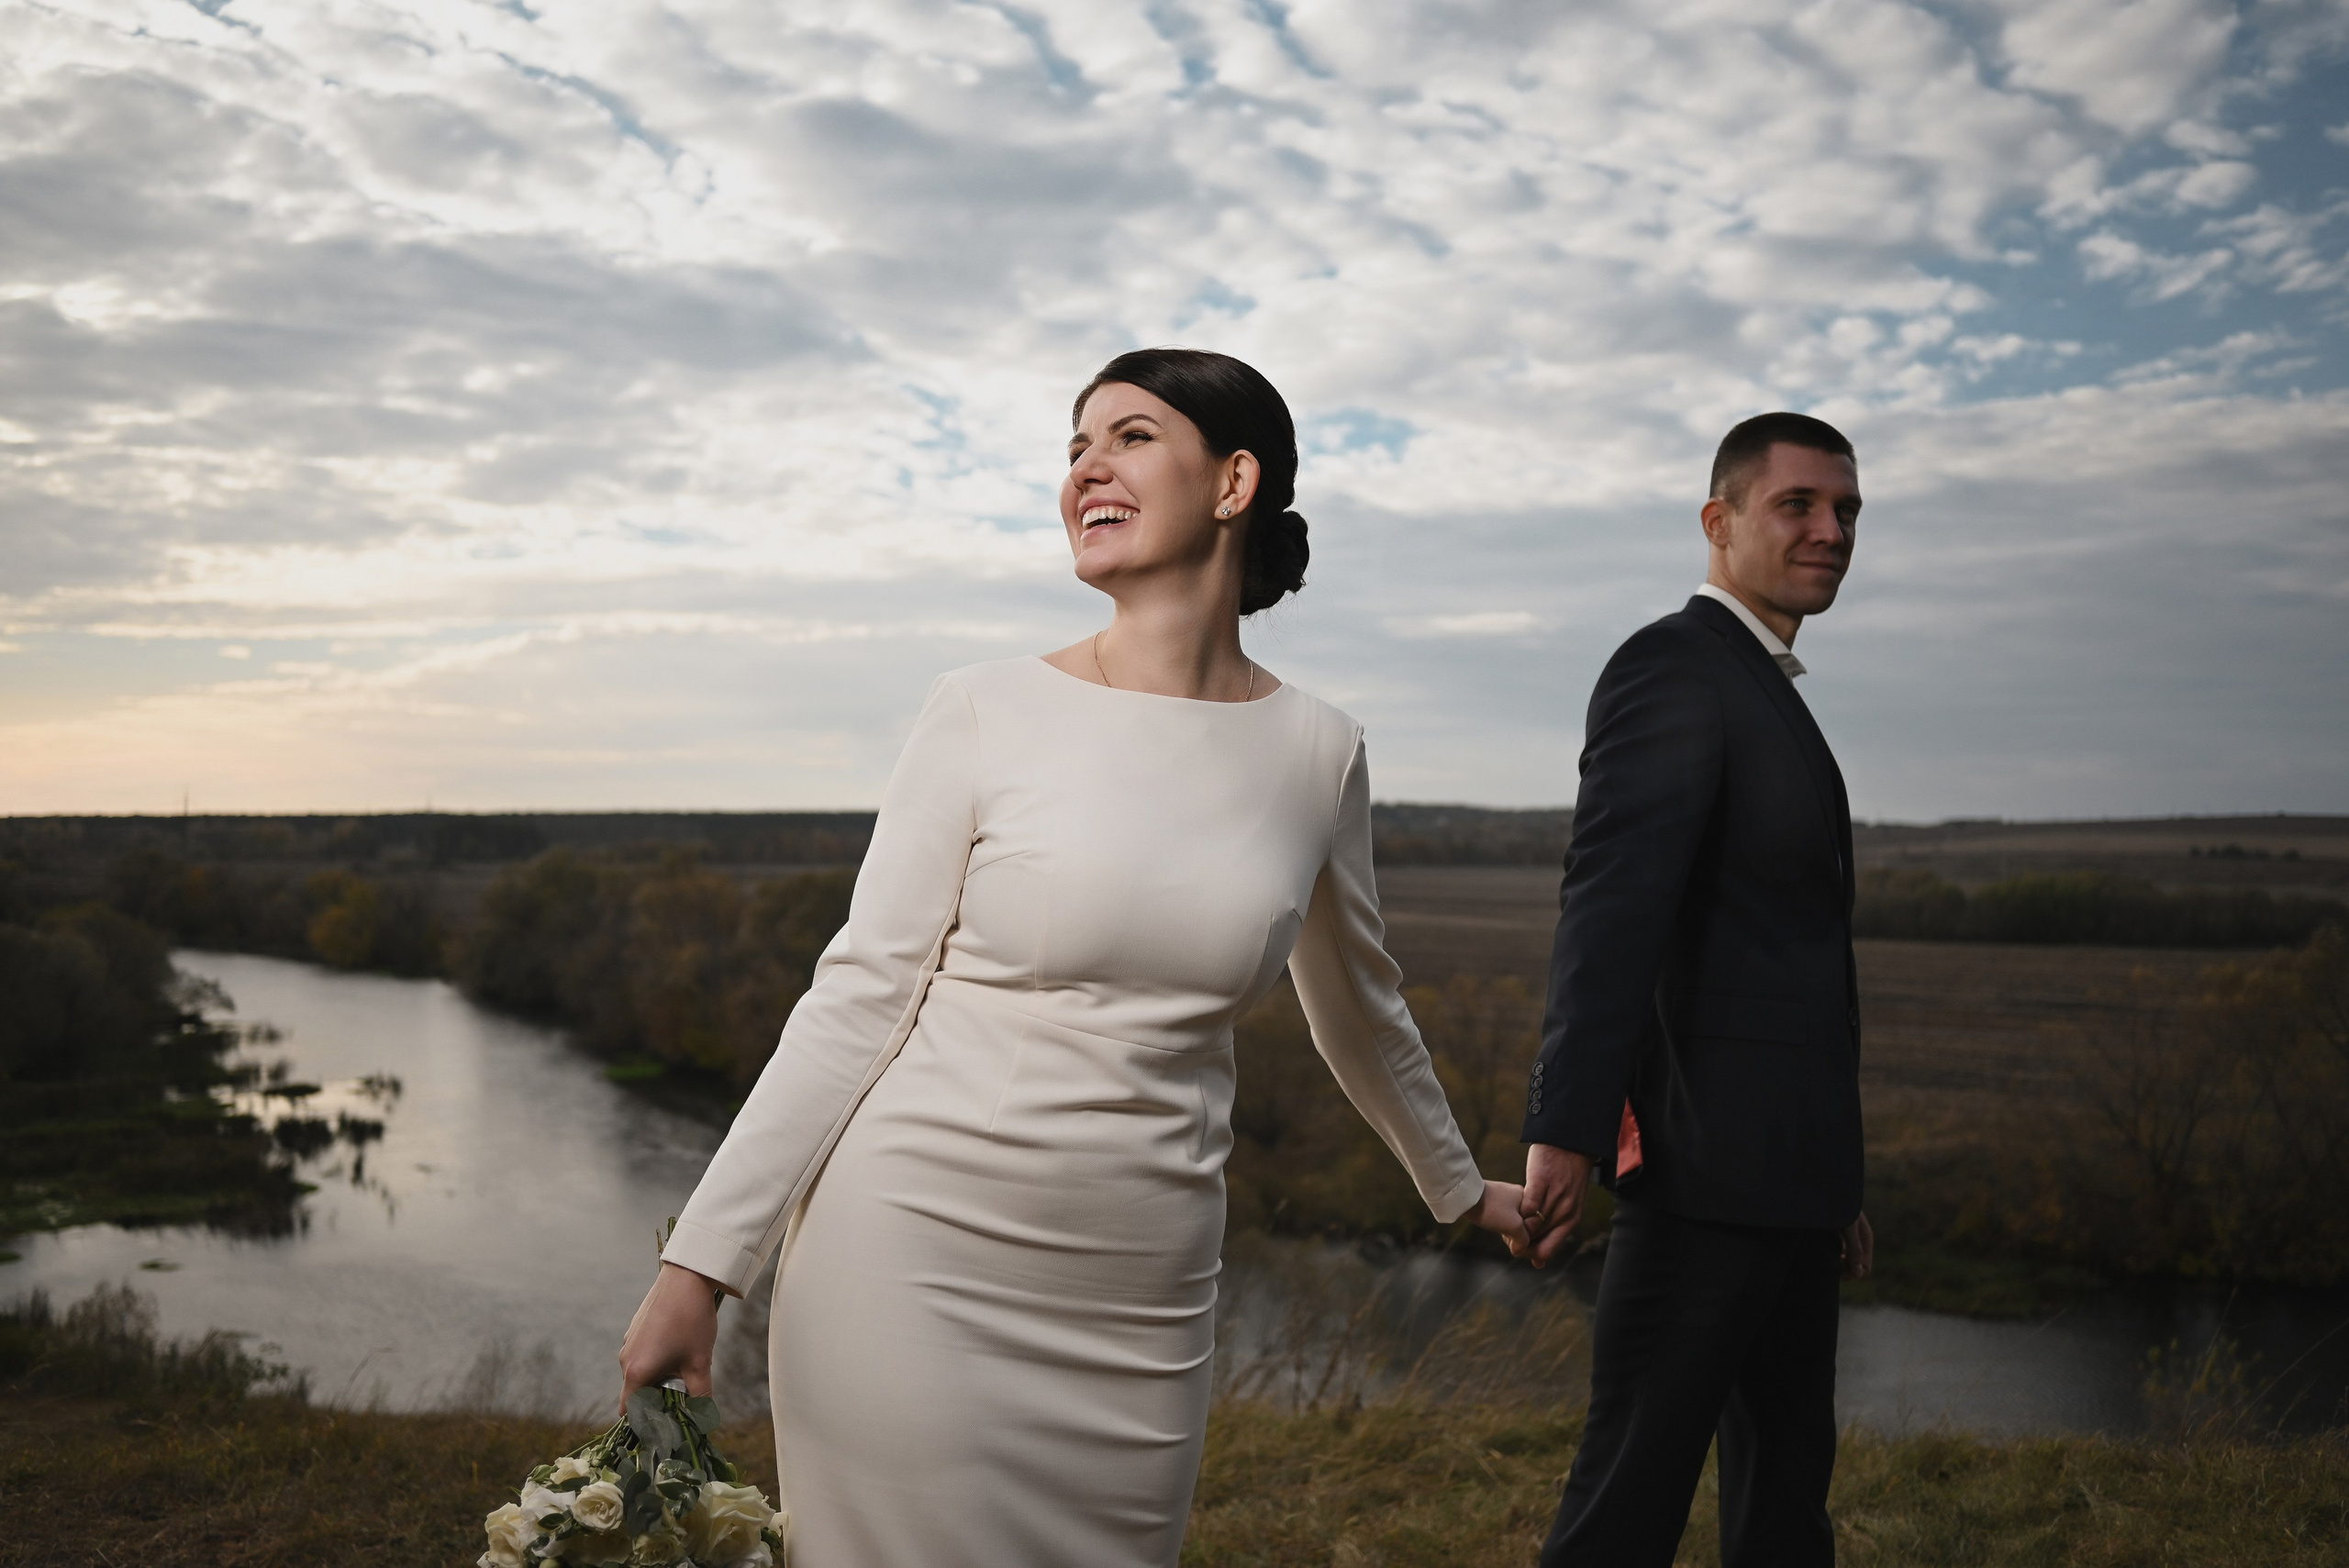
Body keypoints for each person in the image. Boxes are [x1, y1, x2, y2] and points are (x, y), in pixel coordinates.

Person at [617, 348, 1531, 1567]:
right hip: (914, 1265)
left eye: (1132, 436)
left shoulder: (1319, 750)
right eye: (1074, 446)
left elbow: (1362, 1009)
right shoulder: (984, 707)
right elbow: (859, 995)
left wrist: (1463, 1189)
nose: (1088, 466)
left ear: (1234, 480)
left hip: (1143, 1304)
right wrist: (702, 1265)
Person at [1518, 412, 1876, 1567]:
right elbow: (1612, 914)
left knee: (1784, 1509)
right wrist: (1565, 1130)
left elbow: (1792, 963)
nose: (1829, 531)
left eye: (1846, 512)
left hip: (1792, 1188)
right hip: (1698, 1180)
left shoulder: (1767, 687)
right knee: (1626, 1509)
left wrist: (1836, 1178)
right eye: (1797, 506)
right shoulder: (1672, 666)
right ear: (1718, 523)